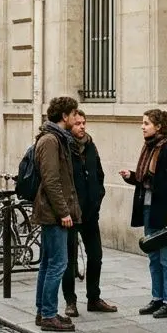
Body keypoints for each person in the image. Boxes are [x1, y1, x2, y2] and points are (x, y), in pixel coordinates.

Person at [120, 109, 167, 319]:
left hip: (165, 211)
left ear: (158, 126)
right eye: (143, 123)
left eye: (146, 123)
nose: (142, 127)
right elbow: (146, 180)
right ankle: (157, 298)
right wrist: (131, 176)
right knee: (153, 257)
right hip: (148, 208)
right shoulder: (148, 147)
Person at [31, 96, 82, 332]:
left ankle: (44, 311)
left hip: (51, 211)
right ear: (64, 116)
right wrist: (64, 212)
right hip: (53, 213)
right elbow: (52, 181)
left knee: (48, 263)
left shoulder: (56, 138)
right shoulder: (51, 140)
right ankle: (48, 314)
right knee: (57, 264)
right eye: (74, 114)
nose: (76, 118)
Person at [61, 110, 117, 317]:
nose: (82, 126)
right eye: (77, 123)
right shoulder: (64, 147)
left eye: (84, 123)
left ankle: (94, 298)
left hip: (90, 213)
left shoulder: (90, 146)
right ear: (69, 125)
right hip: (70, 213)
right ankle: (70, 301)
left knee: (96, 256)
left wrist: (98, 197)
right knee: (69, 260)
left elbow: (99, 174)